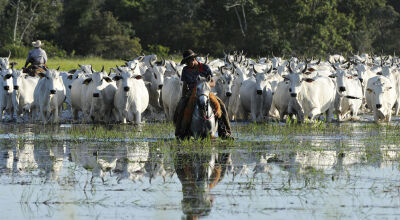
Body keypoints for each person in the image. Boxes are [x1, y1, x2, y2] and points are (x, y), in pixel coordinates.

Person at [173, 49, 232, 139]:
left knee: (221, 105)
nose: (187, 64)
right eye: (186, 63)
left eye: (188, 62)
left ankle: (225, 131)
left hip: (205, 91)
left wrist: (206, 85)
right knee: (181, 107)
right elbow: (185, 86)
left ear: (194, 59)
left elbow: (213, 82)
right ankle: (180, 132)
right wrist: (183, 97)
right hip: (192, 93)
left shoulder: (205, 67)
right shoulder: (185, 70)